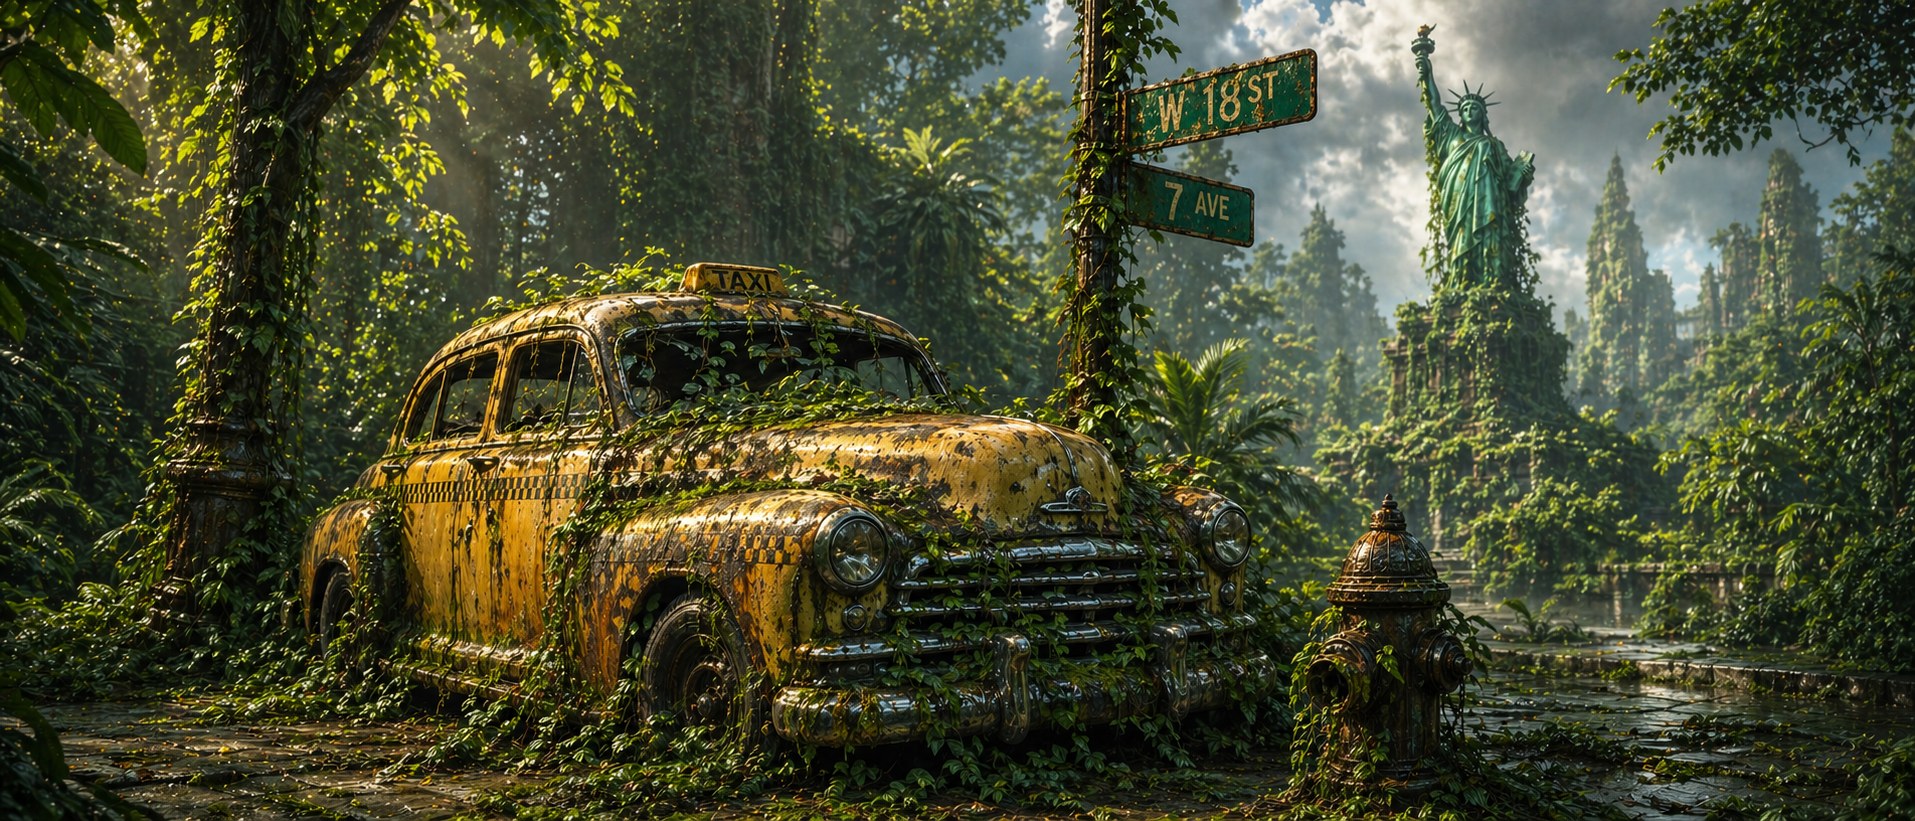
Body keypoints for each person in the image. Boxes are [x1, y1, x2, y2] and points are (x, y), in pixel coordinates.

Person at [1413, 26, 1535, 290]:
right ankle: (1462, 284)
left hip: (1491, 208)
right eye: (1465, 108)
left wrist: (1522, 177)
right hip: (1460, 207)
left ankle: (1493, 284)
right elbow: (1434, 104)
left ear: (1483, 114)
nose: (1469, 112)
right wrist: (1427, 71)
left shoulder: (1494, 145)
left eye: (1474, 108)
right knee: (1460, 243)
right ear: (1460, 114)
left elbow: (1509, 182)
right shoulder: (1451, 136)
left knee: (1492, 242)